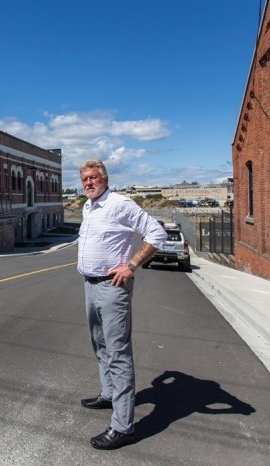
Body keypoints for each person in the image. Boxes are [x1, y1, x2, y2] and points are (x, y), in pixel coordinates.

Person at [76, 159, 167, 450]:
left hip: (112, 287)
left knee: (118, 353)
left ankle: (123, 426)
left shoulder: (120, 204)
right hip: (90, 285)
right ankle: (108, 394)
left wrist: (131, 265)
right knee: (99, 345)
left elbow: (157, 233)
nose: (89, 183)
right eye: (85, 179)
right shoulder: (88, 207)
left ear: (104, 179)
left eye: (93, 178)